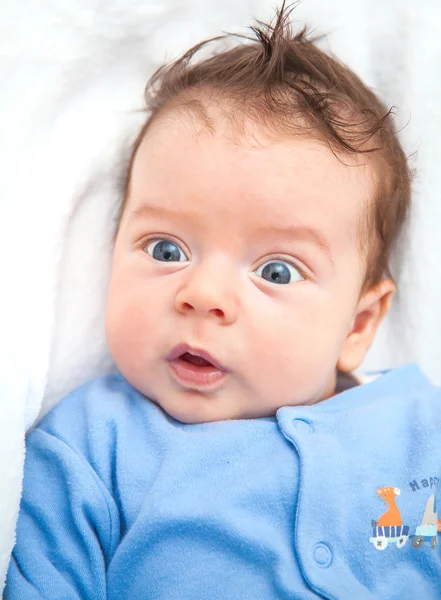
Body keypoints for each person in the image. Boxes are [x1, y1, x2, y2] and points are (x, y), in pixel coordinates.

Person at [4, 4, 441, 599]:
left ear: (358, 325)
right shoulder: (88, 451)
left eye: (277, 270)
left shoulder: (421, 429)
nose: (203, 295)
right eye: (164, 249)